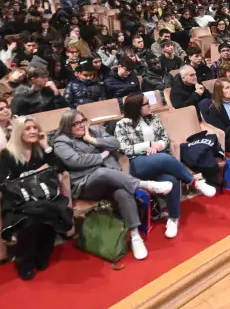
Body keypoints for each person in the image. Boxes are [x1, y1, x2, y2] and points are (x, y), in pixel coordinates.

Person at [51, 109, 173, 260]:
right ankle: (145, 184)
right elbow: (76, 161)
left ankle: (135, 236)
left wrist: (93, 140)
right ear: (67, 126)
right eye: (76, 123)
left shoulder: (94, 131)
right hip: (86, 183)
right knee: (102, 173)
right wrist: (101, 155)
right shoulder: (61, 142)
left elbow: (115, 143)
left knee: (123, 192)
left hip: (111, 178)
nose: (81, 125)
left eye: (83, 121)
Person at [115, 94, 218, 239]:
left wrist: (158, 145)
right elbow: (124, 148)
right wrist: (148, 145)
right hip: (138, 162)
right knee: (165, 158)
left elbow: (164, 138)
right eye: (146, 104)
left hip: (159, 159)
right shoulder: (123, 124)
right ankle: (194, 181)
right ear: (137, 107)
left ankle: (173, 218)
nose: (150, 106)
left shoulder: (154, 118)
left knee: (172, 180)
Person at [0, 117, 74, 279]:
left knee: (50, 212)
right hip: (20, 201)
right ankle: (24, 263)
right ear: (19, 132)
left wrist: (46, 146)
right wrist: (36, 173)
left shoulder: (39, 150)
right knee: (31, 220)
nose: (33, 131)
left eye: (35, 128)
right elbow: (4, 184)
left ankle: (42, 256)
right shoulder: (8, 154)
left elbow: (59, 168)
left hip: (43, 197)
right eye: (27, 128)